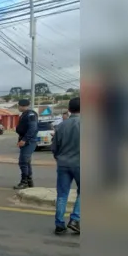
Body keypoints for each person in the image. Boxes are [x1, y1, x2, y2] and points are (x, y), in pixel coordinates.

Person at [51, 97, 81, 235]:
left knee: (62, 194)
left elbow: (54, 147)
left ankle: (59, 224)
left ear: (69, 110)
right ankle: (75, 219)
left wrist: (59, 158)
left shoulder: (61, 126)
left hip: (63, 163)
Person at [13, 99, 39, 190]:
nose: (18, 107)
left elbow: (32, 128)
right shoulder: (25, 114)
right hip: (25, 140)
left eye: (19, 106)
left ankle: (24, 182)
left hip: (29, 141)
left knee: (23, 162)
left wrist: (24, 139)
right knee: (27, 162)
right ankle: (29, 181)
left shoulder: (31, 114)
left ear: (23, 106)